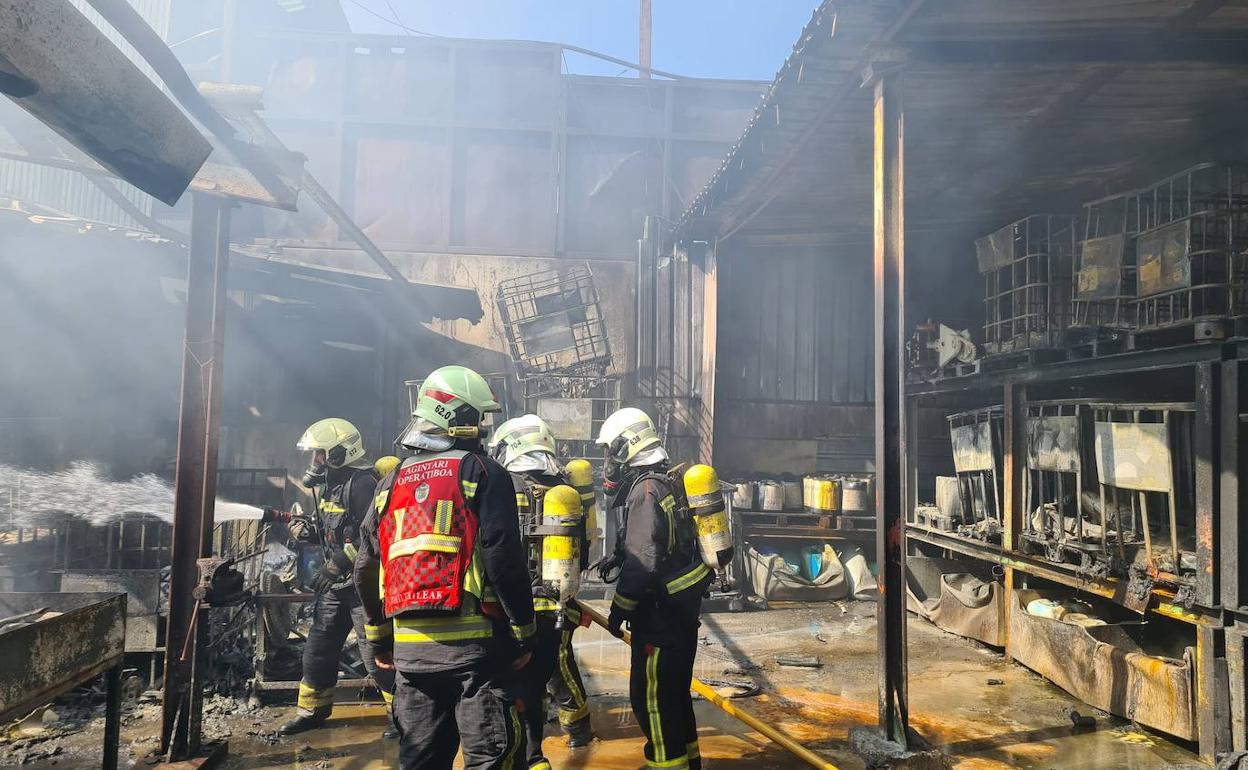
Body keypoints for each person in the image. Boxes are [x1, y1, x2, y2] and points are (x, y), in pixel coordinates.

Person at [354, 366, 536, 770]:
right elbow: (503, 557)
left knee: (420, 762)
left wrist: (379, 638)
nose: (482, 428)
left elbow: (365, 565)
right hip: (477, 657)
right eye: (476, 417)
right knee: (492, 759)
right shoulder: (483, 472)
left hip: (411, 657)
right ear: (454, 417)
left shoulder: (391, 482)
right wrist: (524, 631)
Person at [599, 408, 711, 770]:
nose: (609, 462)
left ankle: (667, 764)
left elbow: (643, 560)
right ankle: (688, 761)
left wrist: (620, 609)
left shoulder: (644, 491)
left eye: (611, 451)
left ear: (625, 447)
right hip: (681, 612)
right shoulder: (668, 481)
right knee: (675, 695)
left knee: (651, 701)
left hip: (658, 620)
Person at [274, 418, 398, 737]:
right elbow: (336, 530)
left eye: (319, 454)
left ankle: (402, 718)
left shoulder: (362, 484)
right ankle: (312, 711)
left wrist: (338, 563)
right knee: (318, 649)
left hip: (363, 587)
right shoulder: (331, 485)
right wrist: (309, 532)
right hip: (336, 588)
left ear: (340, 453)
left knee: (377, 656)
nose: (314, 461)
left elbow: (376, 534)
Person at [489, 415, 595, 768]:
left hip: (515, 605)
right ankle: (568, 732)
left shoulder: (503, 486)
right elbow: (584, 548)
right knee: (552, 669)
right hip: (556, 601)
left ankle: (538, 749)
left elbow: (497, 552)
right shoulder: (563, 491)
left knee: (519, 684)